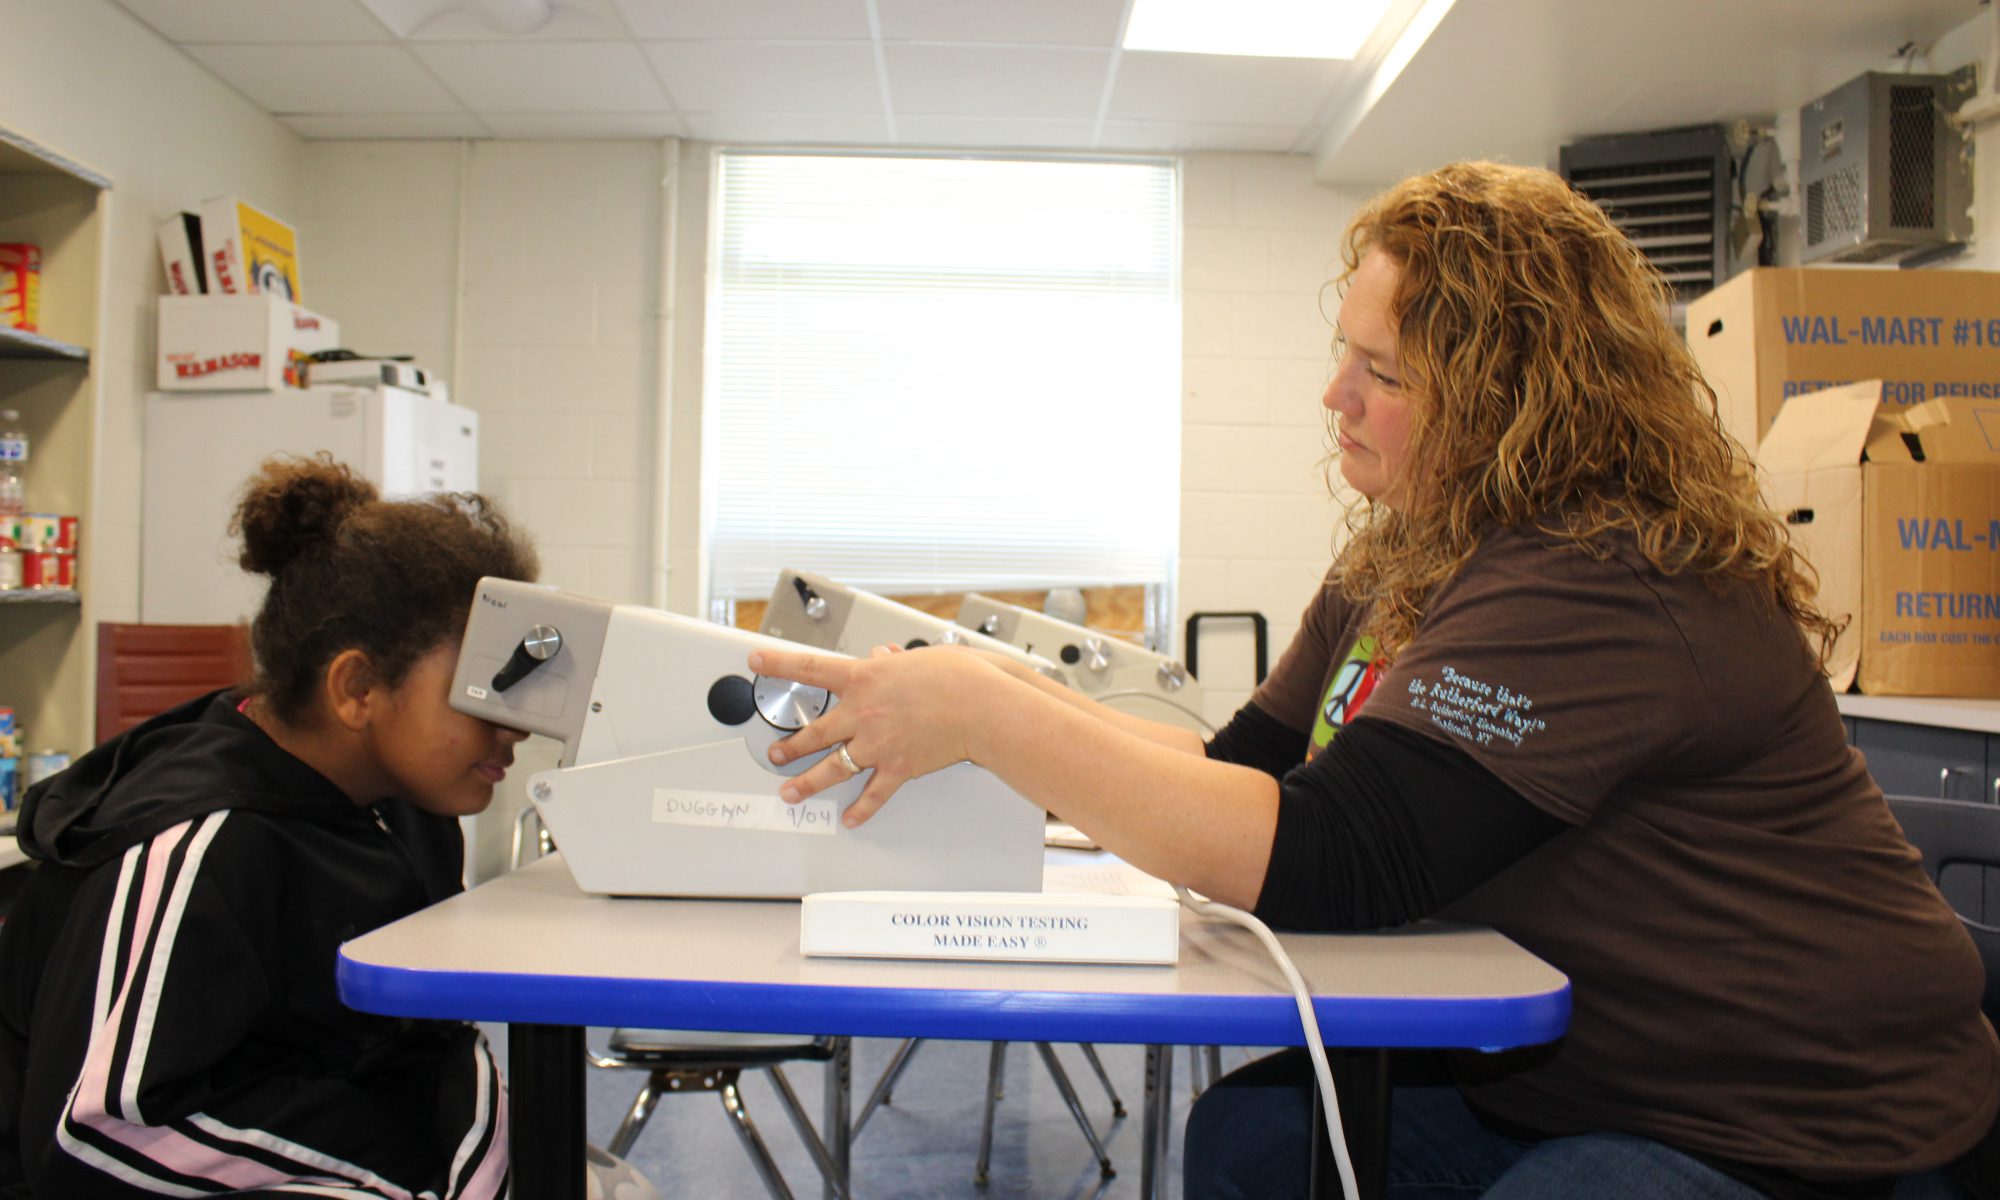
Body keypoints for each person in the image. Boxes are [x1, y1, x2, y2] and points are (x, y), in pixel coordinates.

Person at [748, 161, 2000, 1199]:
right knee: (1255, 1145)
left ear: (1518, 401)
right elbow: (1241, 777)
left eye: (1385, 374)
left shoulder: (1603, 572)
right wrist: (983, 697)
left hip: (1796, 1122)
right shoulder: (1407, 552)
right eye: (1345, 355)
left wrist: (989, 714)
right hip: (1586, 1080)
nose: (1334, 399)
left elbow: (1330, 861)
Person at [0, 454, 536, 1198]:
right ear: (357, 688)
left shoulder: (408, 806)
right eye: (481, 693)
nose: (515, 729)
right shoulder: (200, 844)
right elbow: (98, 1133)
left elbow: (428, 1036)